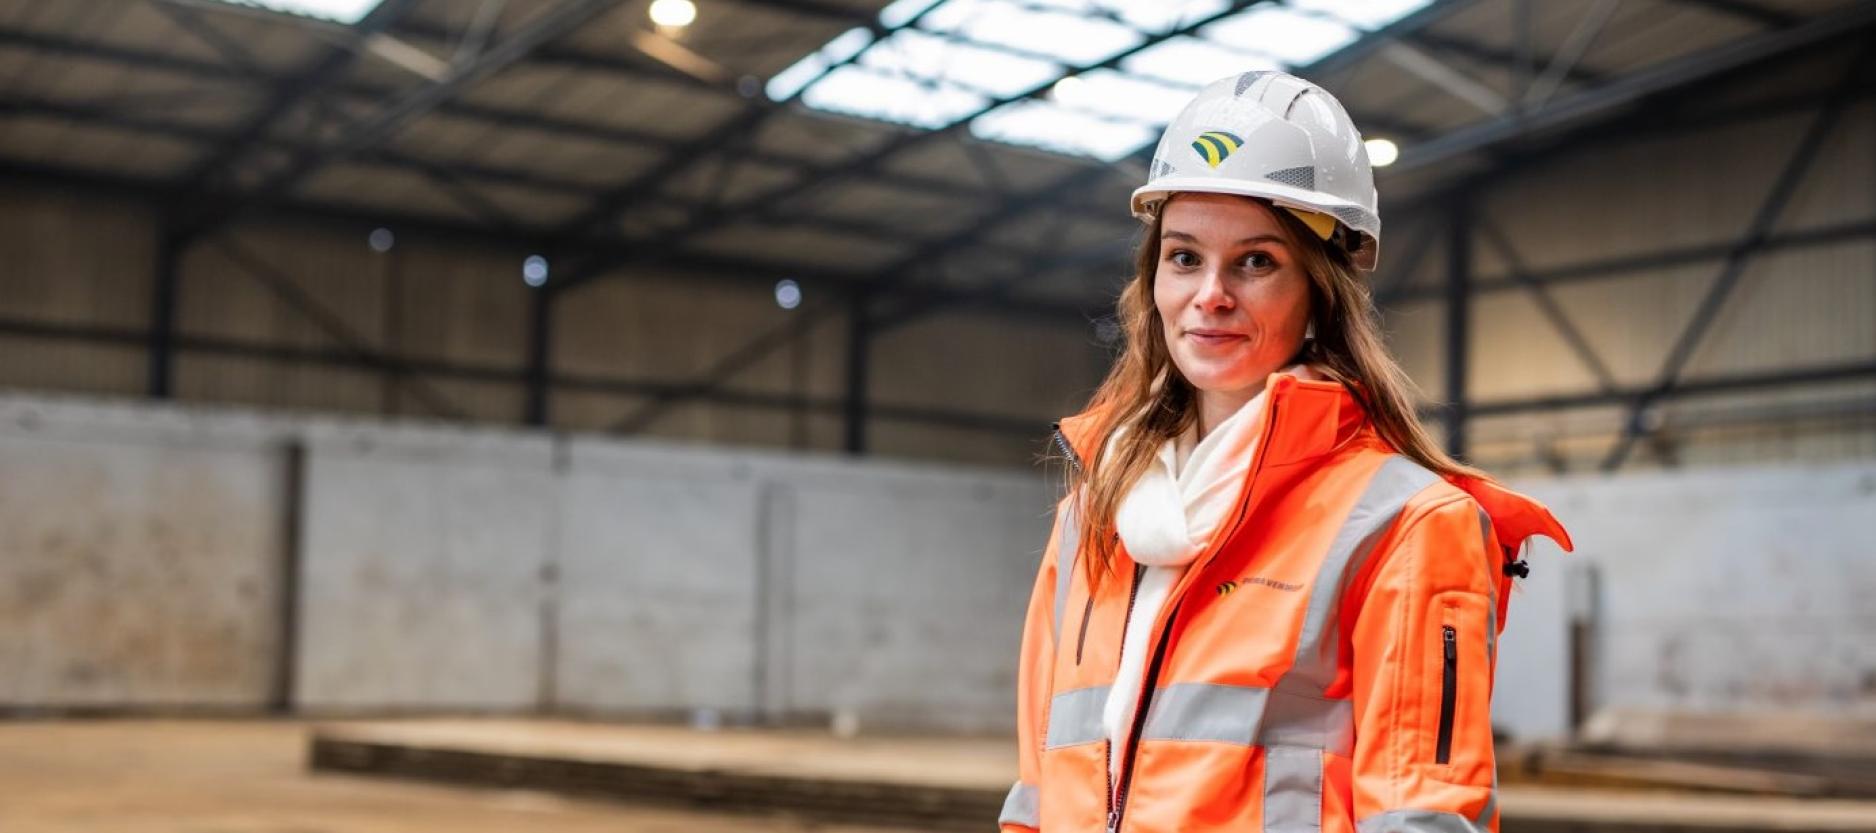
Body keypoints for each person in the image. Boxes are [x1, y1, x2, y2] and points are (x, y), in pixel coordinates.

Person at [996, 71, 1573, 833]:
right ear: (1153, 281)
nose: (1211, 294)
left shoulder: (1405, 525)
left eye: (1256, 261)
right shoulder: (1091, 515)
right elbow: (1039, 788)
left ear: (1318, 291)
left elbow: (1420, 815)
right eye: (1184, 257)